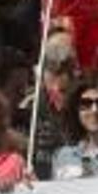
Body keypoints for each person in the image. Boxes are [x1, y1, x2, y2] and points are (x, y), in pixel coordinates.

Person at [16, 33, 76, 179]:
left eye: (69, 68)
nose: (64, 77)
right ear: (41, 70)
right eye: (54, 67)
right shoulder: (29, 108)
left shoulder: (88, 103)